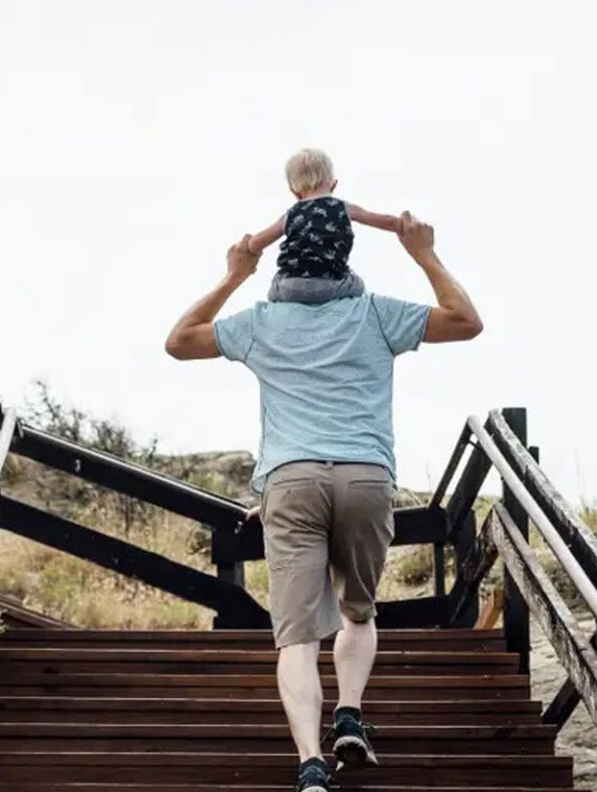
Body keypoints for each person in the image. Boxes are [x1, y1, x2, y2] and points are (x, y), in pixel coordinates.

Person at [164, 211, 483, 792]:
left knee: (298, 636)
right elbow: (466, 322)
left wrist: (235, 273)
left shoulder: (260, 322)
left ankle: (312, 764)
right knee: (358, 610)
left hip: (290, 483)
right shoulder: (377, 313)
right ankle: (350, 714)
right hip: (365, 478)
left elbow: (179, 341)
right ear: (347, 256)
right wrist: (424, 254)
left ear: (284, 262)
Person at [247, 147, 404, 305]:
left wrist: (249, 250)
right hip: (330, 286)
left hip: (290, 287)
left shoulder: (290, 214)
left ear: (294, 192)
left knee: (276, 284)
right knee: (358, 284)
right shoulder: (344, 208)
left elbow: (255, 243)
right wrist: (404, 226)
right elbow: (385, 221)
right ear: (333, 184)